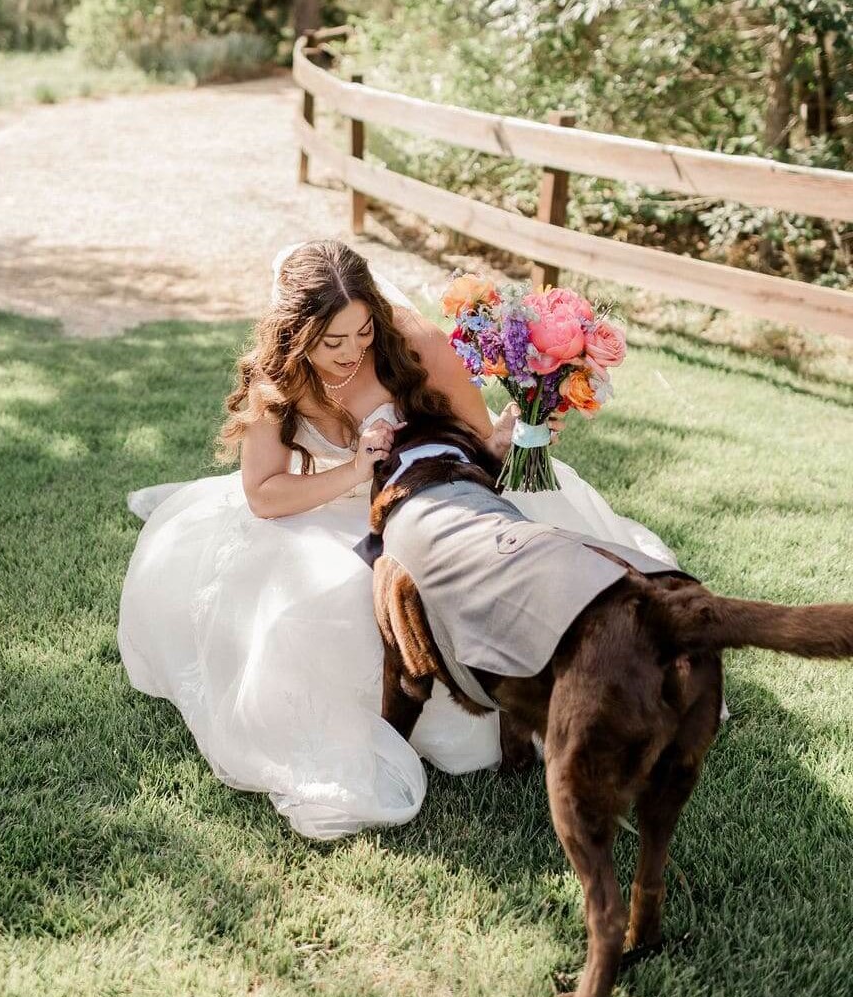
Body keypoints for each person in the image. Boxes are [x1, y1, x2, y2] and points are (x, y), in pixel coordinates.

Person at [117, 239, 680, 840]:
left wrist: (519, 433)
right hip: (327, 505)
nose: (350, 352)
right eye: (331, 341)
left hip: (432, 494)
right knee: (315, 606)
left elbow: (480, 444)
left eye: (360, 334)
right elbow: (263, 494)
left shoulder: (412, 345)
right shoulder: (275, 378)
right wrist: (354, 472)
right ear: (293, 334)